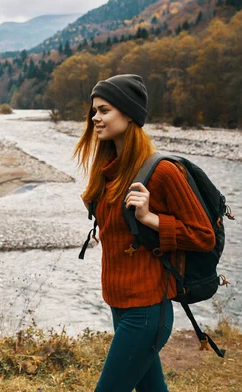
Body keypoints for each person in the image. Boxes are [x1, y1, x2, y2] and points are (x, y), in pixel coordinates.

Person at [73, 74, 215, 392]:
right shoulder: (107, 169)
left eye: (104, 110)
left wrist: (152, 219)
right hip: (118, 302)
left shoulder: (162, 172)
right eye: (94, 110)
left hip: (147, 310)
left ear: (129, 113)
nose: (95, 117)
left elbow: (203, 236)